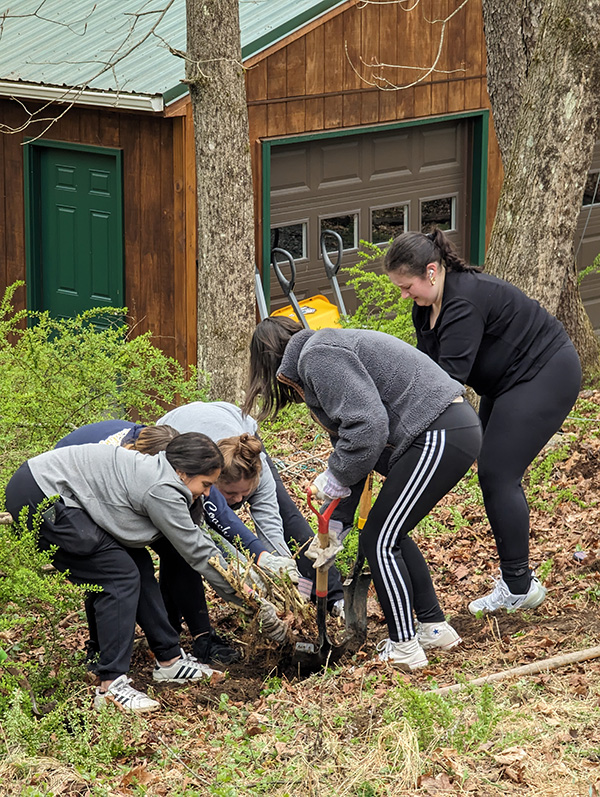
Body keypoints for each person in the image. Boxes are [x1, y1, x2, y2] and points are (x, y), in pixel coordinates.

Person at [243, 317, 482, 671]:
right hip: (443, 430)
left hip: (437, 431)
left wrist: (333, 477)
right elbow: (355, 452)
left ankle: (405, 646)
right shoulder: (323, 353)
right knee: (390, 531)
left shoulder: (317, 356)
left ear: (270, 364)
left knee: (379, 539)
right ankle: (433, 627)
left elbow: (367, 429)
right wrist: (330, 532)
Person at [5, 433, 288, 712]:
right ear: (182, 472)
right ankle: (110, 688)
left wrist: (251, 590)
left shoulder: (166, 474)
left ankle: (169, 660)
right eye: (205, 484)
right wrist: (250, 600)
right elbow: (200, 554)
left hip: (60, 492)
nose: (206, 492)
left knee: (136, 564)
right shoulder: (162, 489)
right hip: (40, 494)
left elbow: (197, 543)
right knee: (118, 576)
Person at [383, 229, 582, 614]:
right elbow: (426, 373)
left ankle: (519, 585)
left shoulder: (464, 302)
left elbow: (446, 385)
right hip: (506, 382)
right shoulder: (426, 308)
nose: (405, 295)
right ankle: (517, 582)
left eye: (408, 286)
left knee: (497, 474)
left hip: (544, 372)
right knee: (490, 470)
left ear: (432, 271)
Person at [55, 419, 298, 665]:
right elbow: (196, 548)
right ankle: (101, 649)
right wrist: (249, 599)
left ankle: (198, 638)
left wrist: (261, 555)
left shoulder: (188, 465)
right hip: (80, 498)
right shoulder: (144, 474)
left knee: (179, 548)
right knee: (116, 566)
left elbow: (217, 515)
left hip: (126, 492)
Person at [156, 401, 346, 615]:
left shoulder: (259, 472)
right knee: (179, 545)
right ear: (213, 482)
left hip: (236, 423)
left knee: (288, 515)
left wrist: (284, 573)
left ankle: (331, 599)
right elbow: (215, 540)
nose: (238, 500)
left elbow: (270, 529)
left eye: (244, 494)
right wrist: (247, 582)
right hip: (176, 435)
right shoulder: (202, 478)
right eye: (230, 494)